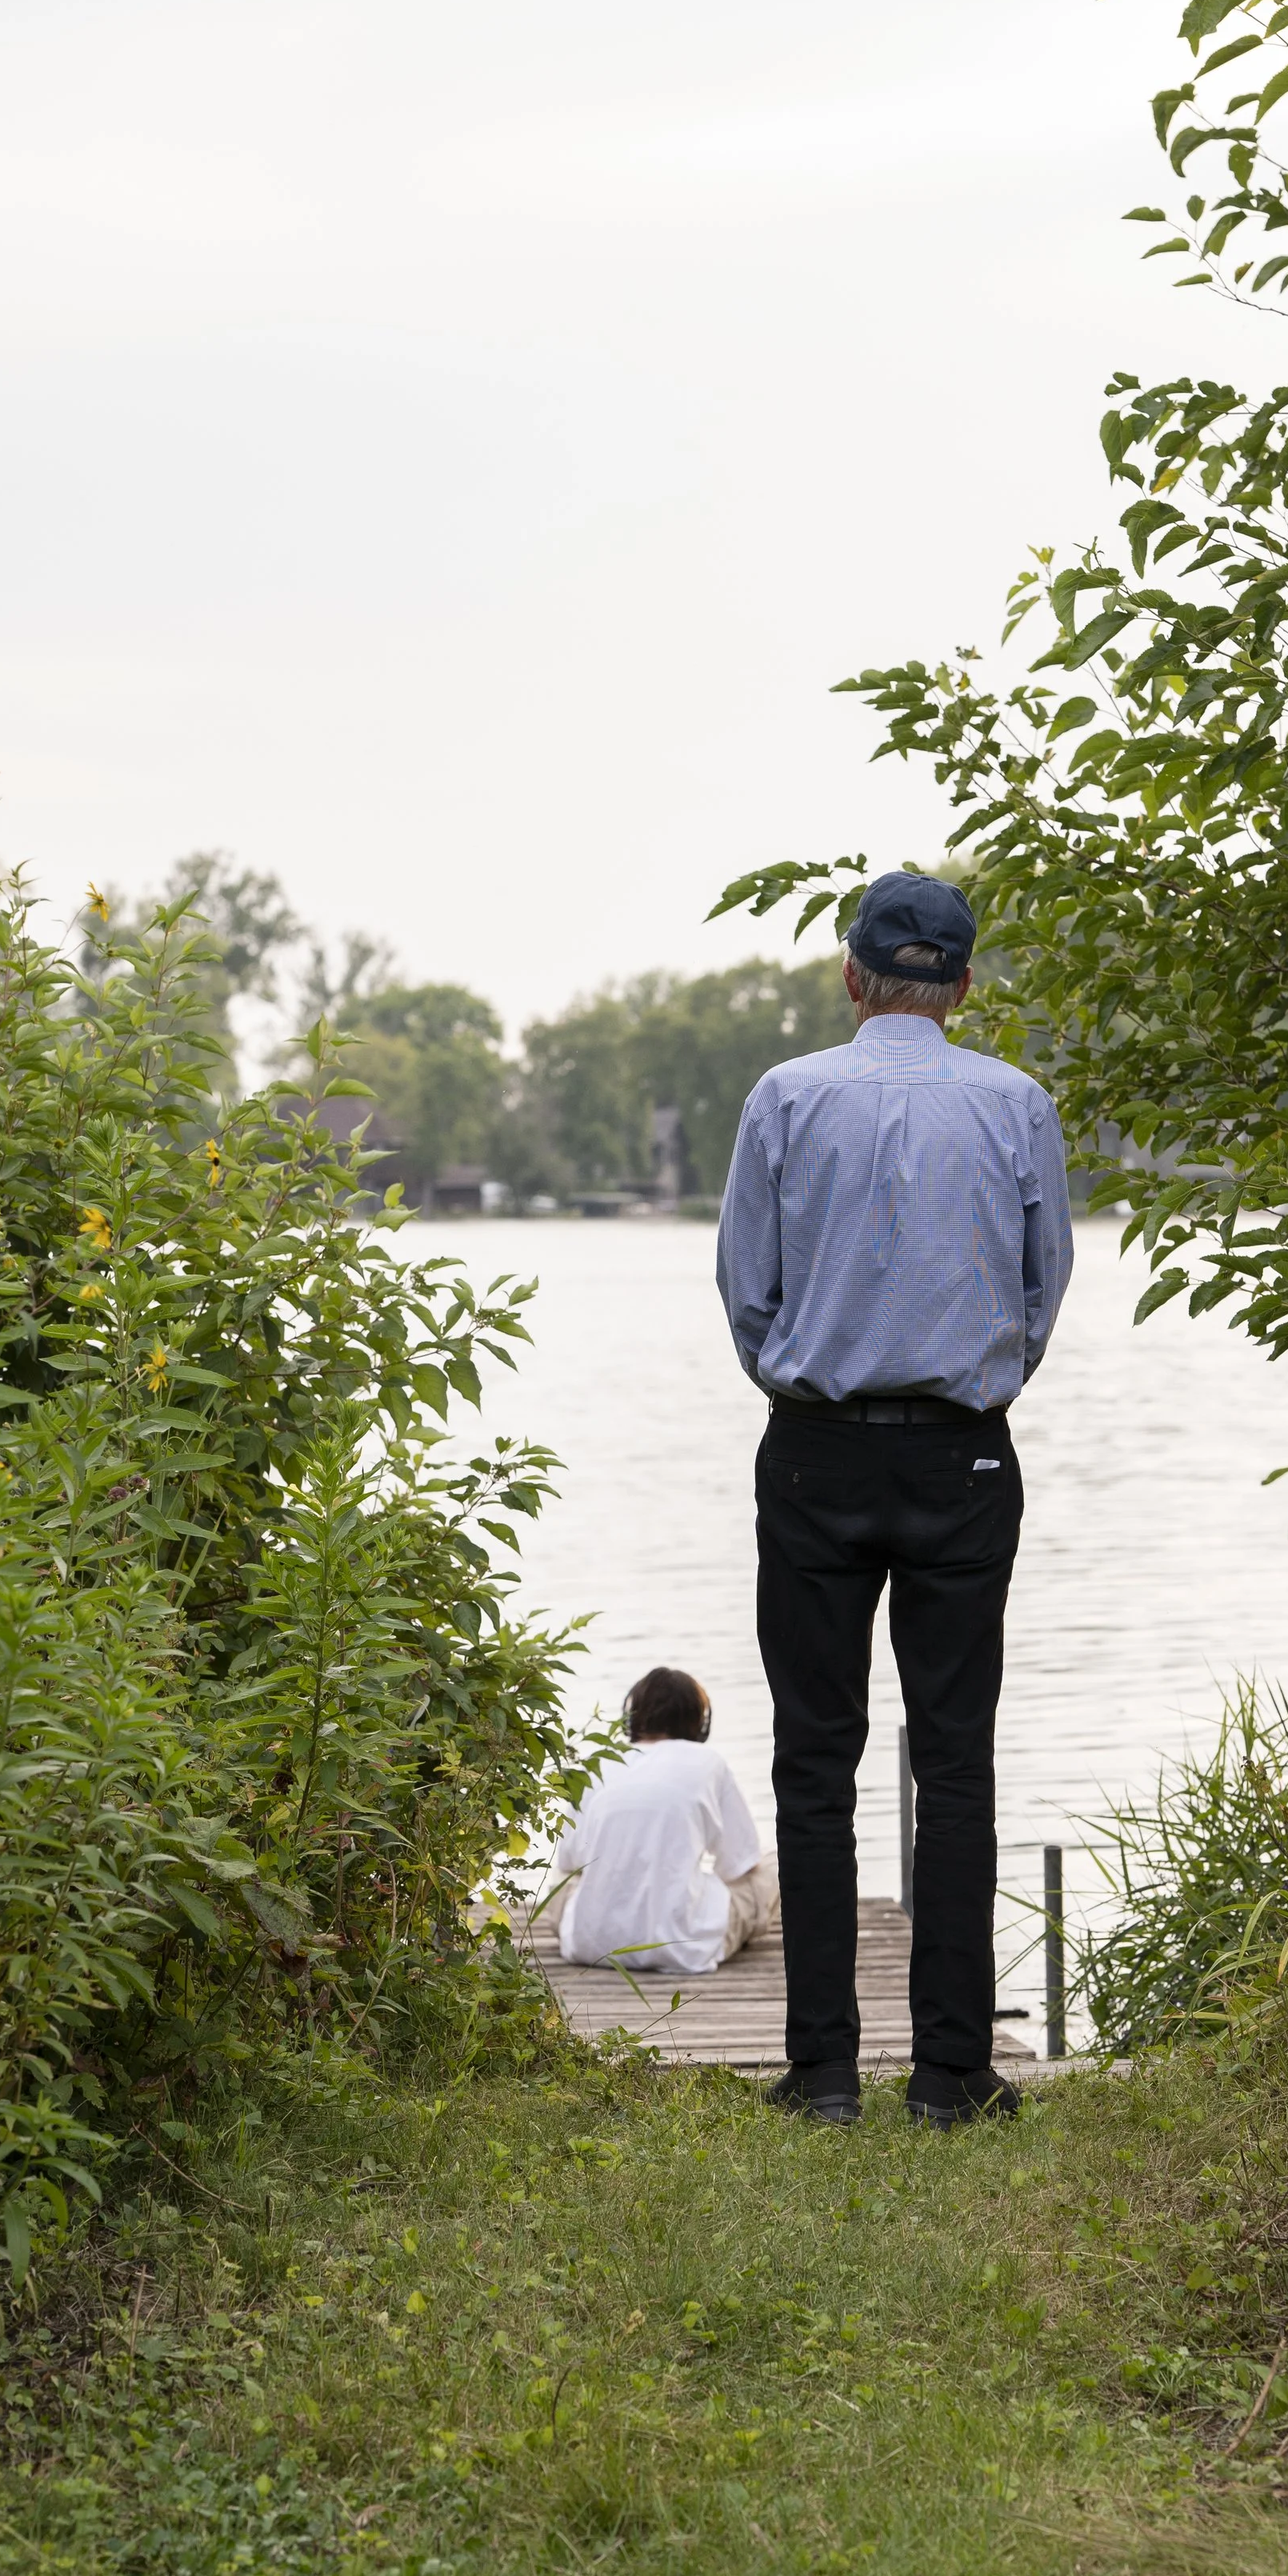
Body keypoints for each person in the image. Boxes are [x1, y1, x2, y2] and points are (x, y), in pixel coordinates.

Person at [715, 870, 1073, 2129]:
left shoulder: (788, 1096)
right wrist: (972, 1387)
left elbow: (746, 1294)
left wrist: (812, 1372)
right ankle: (951, 2074)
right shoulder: (1017, 1104)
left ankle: (820, 2079)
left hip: (812, 1451)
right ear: (963, 985)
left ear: (854, 976)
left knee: (815, 1761)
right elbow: (1042, 1294)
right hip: (964, 1457)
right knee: (958, 1761)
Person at [553, 1666, 777, 1975]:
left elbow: (569, 1860)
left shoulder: (600, 1760)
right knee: (770, 1864)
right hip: (683, 1949)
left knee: (561, 1879)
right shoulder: (708, 1763)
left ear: (632, 1716)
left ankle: (605, 1927)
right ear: (700, 1721)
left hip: (589, 1947)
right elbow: (741, 1864)